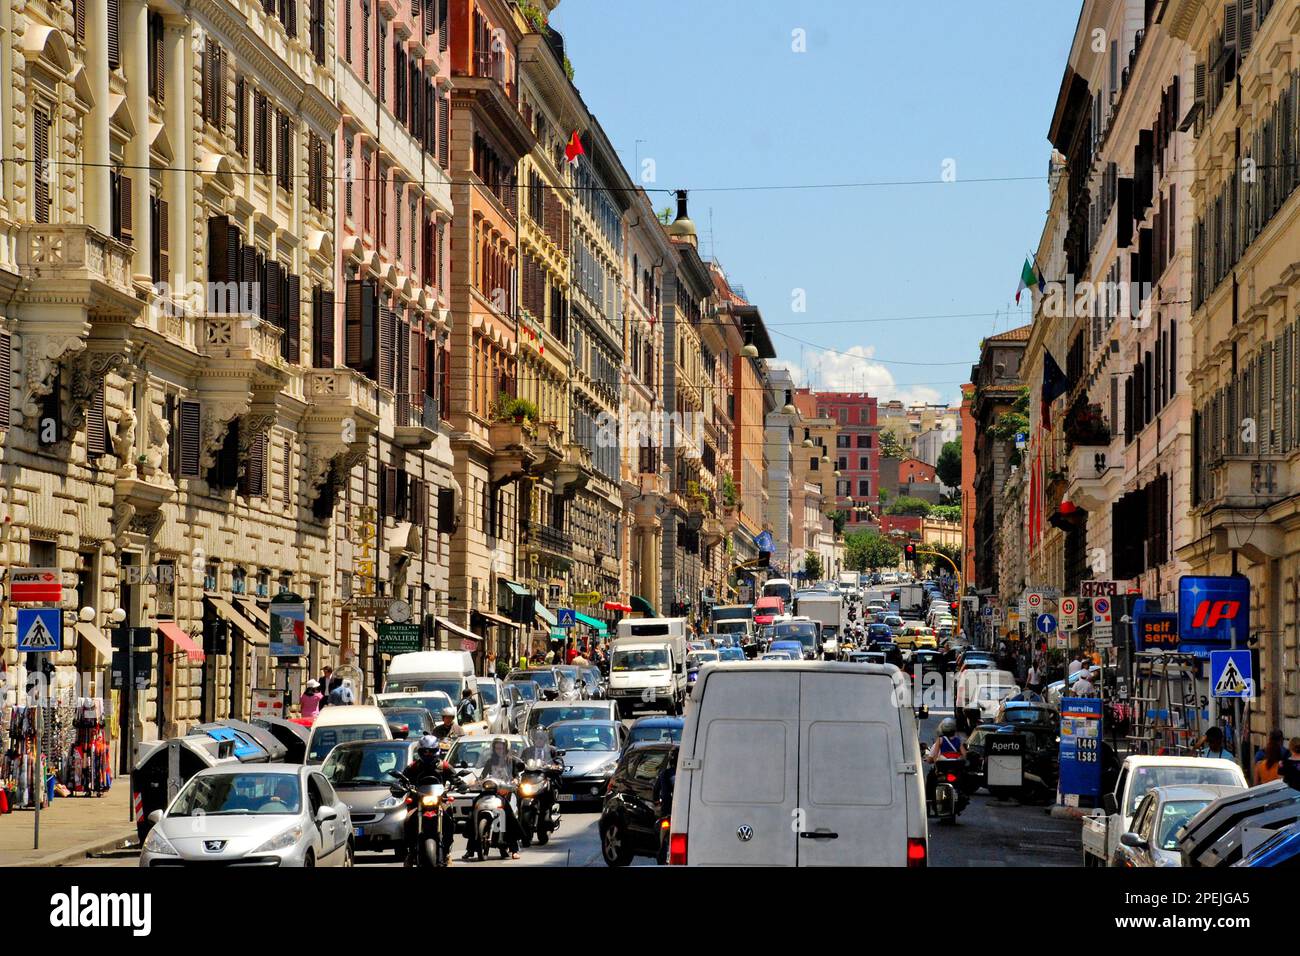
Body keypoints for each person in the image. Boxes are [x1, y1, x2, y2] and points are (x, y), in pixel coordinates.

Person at [399, 735, 462, 866]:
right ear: (420, 752)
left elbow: (456, 778)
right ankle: (411, 852)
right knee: (408, 820)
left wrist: (461, 784)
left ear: (437, 750)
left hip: (440, 800)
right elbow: (402, 780)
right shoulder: (414, 767)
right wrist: (400, 786)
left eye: (431, 751)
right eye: (425, 751)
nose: (428, 754)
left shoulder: (444, 766)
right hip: (418, 800)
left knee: (449, 819)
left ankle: (447, 853)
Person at [464, 737, 525, 861]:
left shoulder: (511, 760)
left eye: (502, 747)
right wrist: (475, 782)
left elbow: (516, 777)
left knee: (510, 816)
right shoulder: (490, 761)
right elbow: (483, 776)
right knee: (474, 809)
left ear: (506, 748)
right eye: (497, 747)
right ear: (494, 748)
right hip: (490, 791)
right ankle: (470, 849)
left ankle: (514, 849)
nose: (499, 750)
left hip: (505, 792)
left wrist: (514, 782)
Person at [923, 718, 965, 802]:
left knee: (930, 778)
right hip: (955, 773)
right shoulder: (958, 741)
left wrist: (928, 759)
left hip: (941, 773)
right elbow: (964, 755)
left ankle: (928, 802)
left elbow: (933, 757)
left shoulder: (939, 741)